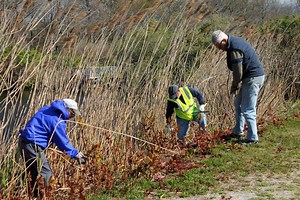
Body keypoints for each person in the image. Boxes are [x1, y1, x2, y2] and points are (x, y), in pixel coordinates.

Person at [18, 99, 87, 197]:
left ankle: (33, 196)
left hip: (23, 142)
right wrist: (76, 154)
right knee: (46, 173)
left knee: (33, 173)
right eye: (73, 112)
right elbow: (62, 142)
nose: (73, 116)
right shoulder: (58, 121)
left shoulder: (47, 109)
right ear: (67, 109)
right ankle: (49, 196)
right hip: (33, 146)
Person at [211, 30, 265, 144]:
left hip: (253, 78)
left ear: (224, 41)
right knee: (238, 103)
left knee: (248, 109)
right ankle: (237, 131)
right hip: (250, 78)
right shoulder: (232, 44)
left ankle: (252, 138)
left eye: (219, 46)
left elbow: (238, 72)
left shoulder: (235, 48)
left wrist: (234, 84)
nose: (219, 49)